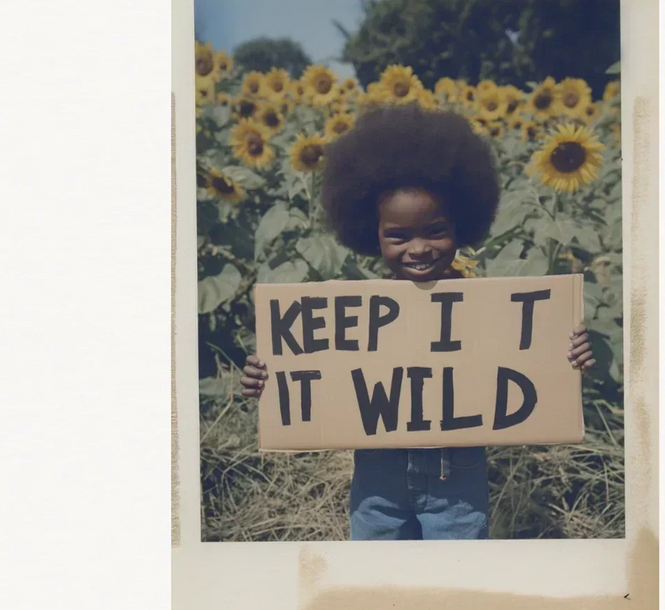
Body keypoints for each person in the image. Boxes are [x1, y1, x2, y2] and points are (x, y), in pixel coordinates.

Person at [241, 104, 595, 539]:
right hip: (377, 480)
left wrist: (570, 352)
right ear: (371, 234)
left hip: (456, 482)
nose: (419, 248)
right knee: (378, 580)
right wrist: (268, 377)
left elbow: (533, 356)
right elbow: (315, 371)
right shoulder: (352, 311)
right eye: (398, 236)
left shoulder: (488, 305)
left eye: (435, 230)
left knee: (453, 582)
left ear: (461, 225)